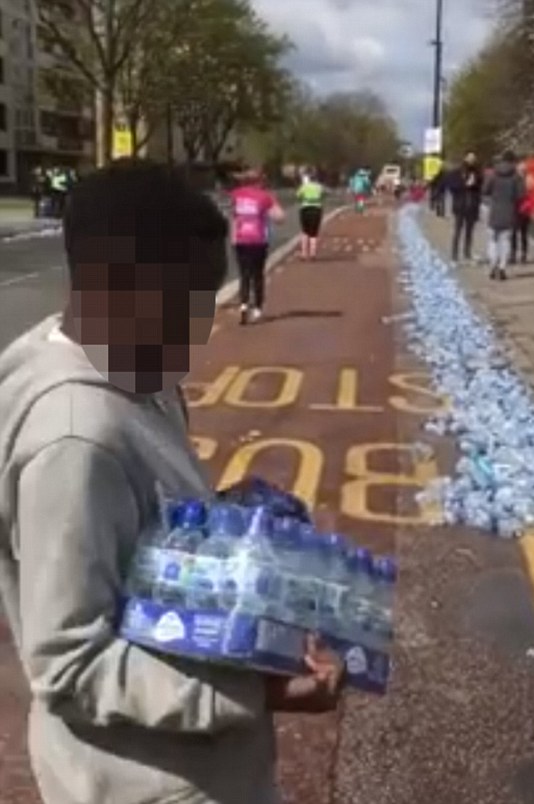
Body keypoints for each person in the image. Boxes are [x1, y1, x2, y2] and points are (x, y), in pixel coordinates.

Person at [0, 160, 344, 804]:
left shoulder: (136, 369)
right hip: (150, 782)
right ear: (117, 290)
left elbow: (135, 534)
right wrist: (256, 691)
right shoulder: (76, 439)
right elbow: (70, 662)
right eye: (187, 302)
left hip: (182, 766)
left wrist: (218, 516)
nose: (203, 325)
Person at [229, 167, 285, 325]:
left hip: (241, 240)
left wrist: (233, 237)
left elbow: (234, 217)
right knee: (257, 274)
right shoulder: (265, 197)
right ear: (260, 181)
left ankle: (243, 304)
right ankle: (258, 308)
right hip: (258, 240)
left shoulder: (236, 195)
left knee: (244, 274)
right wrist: (269, 213)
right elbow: (280, 217)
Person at [483, 150, 525, 281]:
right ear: (513, 161)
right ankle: (502, 268)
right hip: (509, 211)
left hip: (495, 211)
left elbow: (485, 190)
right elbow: (521, 195)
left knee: (493, 240)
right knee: (505, 241)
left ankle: (492, 266)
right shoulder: (516, 176)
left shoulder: (493, 174)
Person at [448, 152, 484, 263]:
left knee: (469, 231)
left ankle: (467, 252)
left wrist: (475, 183)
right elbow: (452, 187)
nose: (472, 160)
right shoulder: (457, 172)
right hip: (460, 205)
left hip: (472, 205)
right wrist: (465, 184)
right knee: (458, 230)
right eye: (470, 157)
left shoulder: (477, 171)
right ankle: (454, 254)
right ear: (465, 158)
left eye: (474, 158)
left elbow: (480, 187)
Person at [511, 161, 534, 265]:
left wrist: (529, 204)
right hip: (516, 209)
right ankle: (513, 254)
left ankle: (523, 254)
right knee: (514, 233)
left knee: (523, 233)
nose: (522, 171)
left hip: (525, 210)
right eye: (521, 169)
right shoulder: (514, 179)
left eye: (524, 169)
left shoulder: (529, 179)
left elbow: (533, 194)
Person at [297, 168, 325, 261]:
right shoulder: (319, 187)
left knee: (305, 231)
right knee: (314, 233)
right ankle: (313, 253)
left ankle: (304, 254)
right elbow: (323, 195)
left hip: (305, 209)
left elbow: (298, 196)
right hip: (317, 209)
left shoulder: (304, 187)